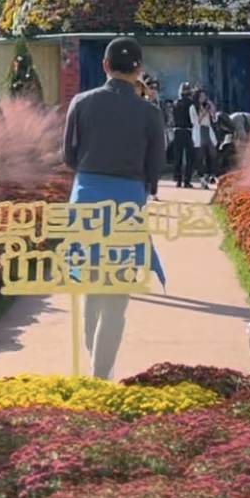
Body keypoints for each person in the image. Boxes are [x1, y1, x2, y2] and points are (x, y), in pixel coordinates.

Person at [62, 36, 167, 380]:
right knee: (117, 294)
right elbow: (156, 167)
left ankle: (93, 360)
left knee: (92, 281)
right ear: (139, 70)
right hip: (126, 204)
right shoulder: (149, 112)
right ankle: (101, 374)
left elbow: (69, 156)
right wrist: (143, 189)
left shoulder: (81, 102)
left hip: (86, 200)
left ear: (105, 66)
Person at [191, 87, 217, 190]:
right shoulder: (193, 108)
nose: (203, 98)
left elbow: (214, 120)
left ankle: (211, 175)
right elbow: (196, 122)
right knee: (200, 156)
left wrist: (213, 111)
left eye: (204, 96)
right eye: (201, 96)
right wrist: (205, 112)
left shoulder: (207, 106)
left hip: (208, 131)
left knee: (213, 154)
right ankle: (202, 178)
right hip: (199, 131)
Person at [170, 82, 195, 188]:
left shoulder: (175, 103)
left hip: (177, 131)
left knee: (178, 156)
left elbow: (172, 118)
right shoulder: (191, 103)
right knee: (190, 157)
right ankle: (187, 180)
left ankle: (178, 179)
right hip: (188, 131)